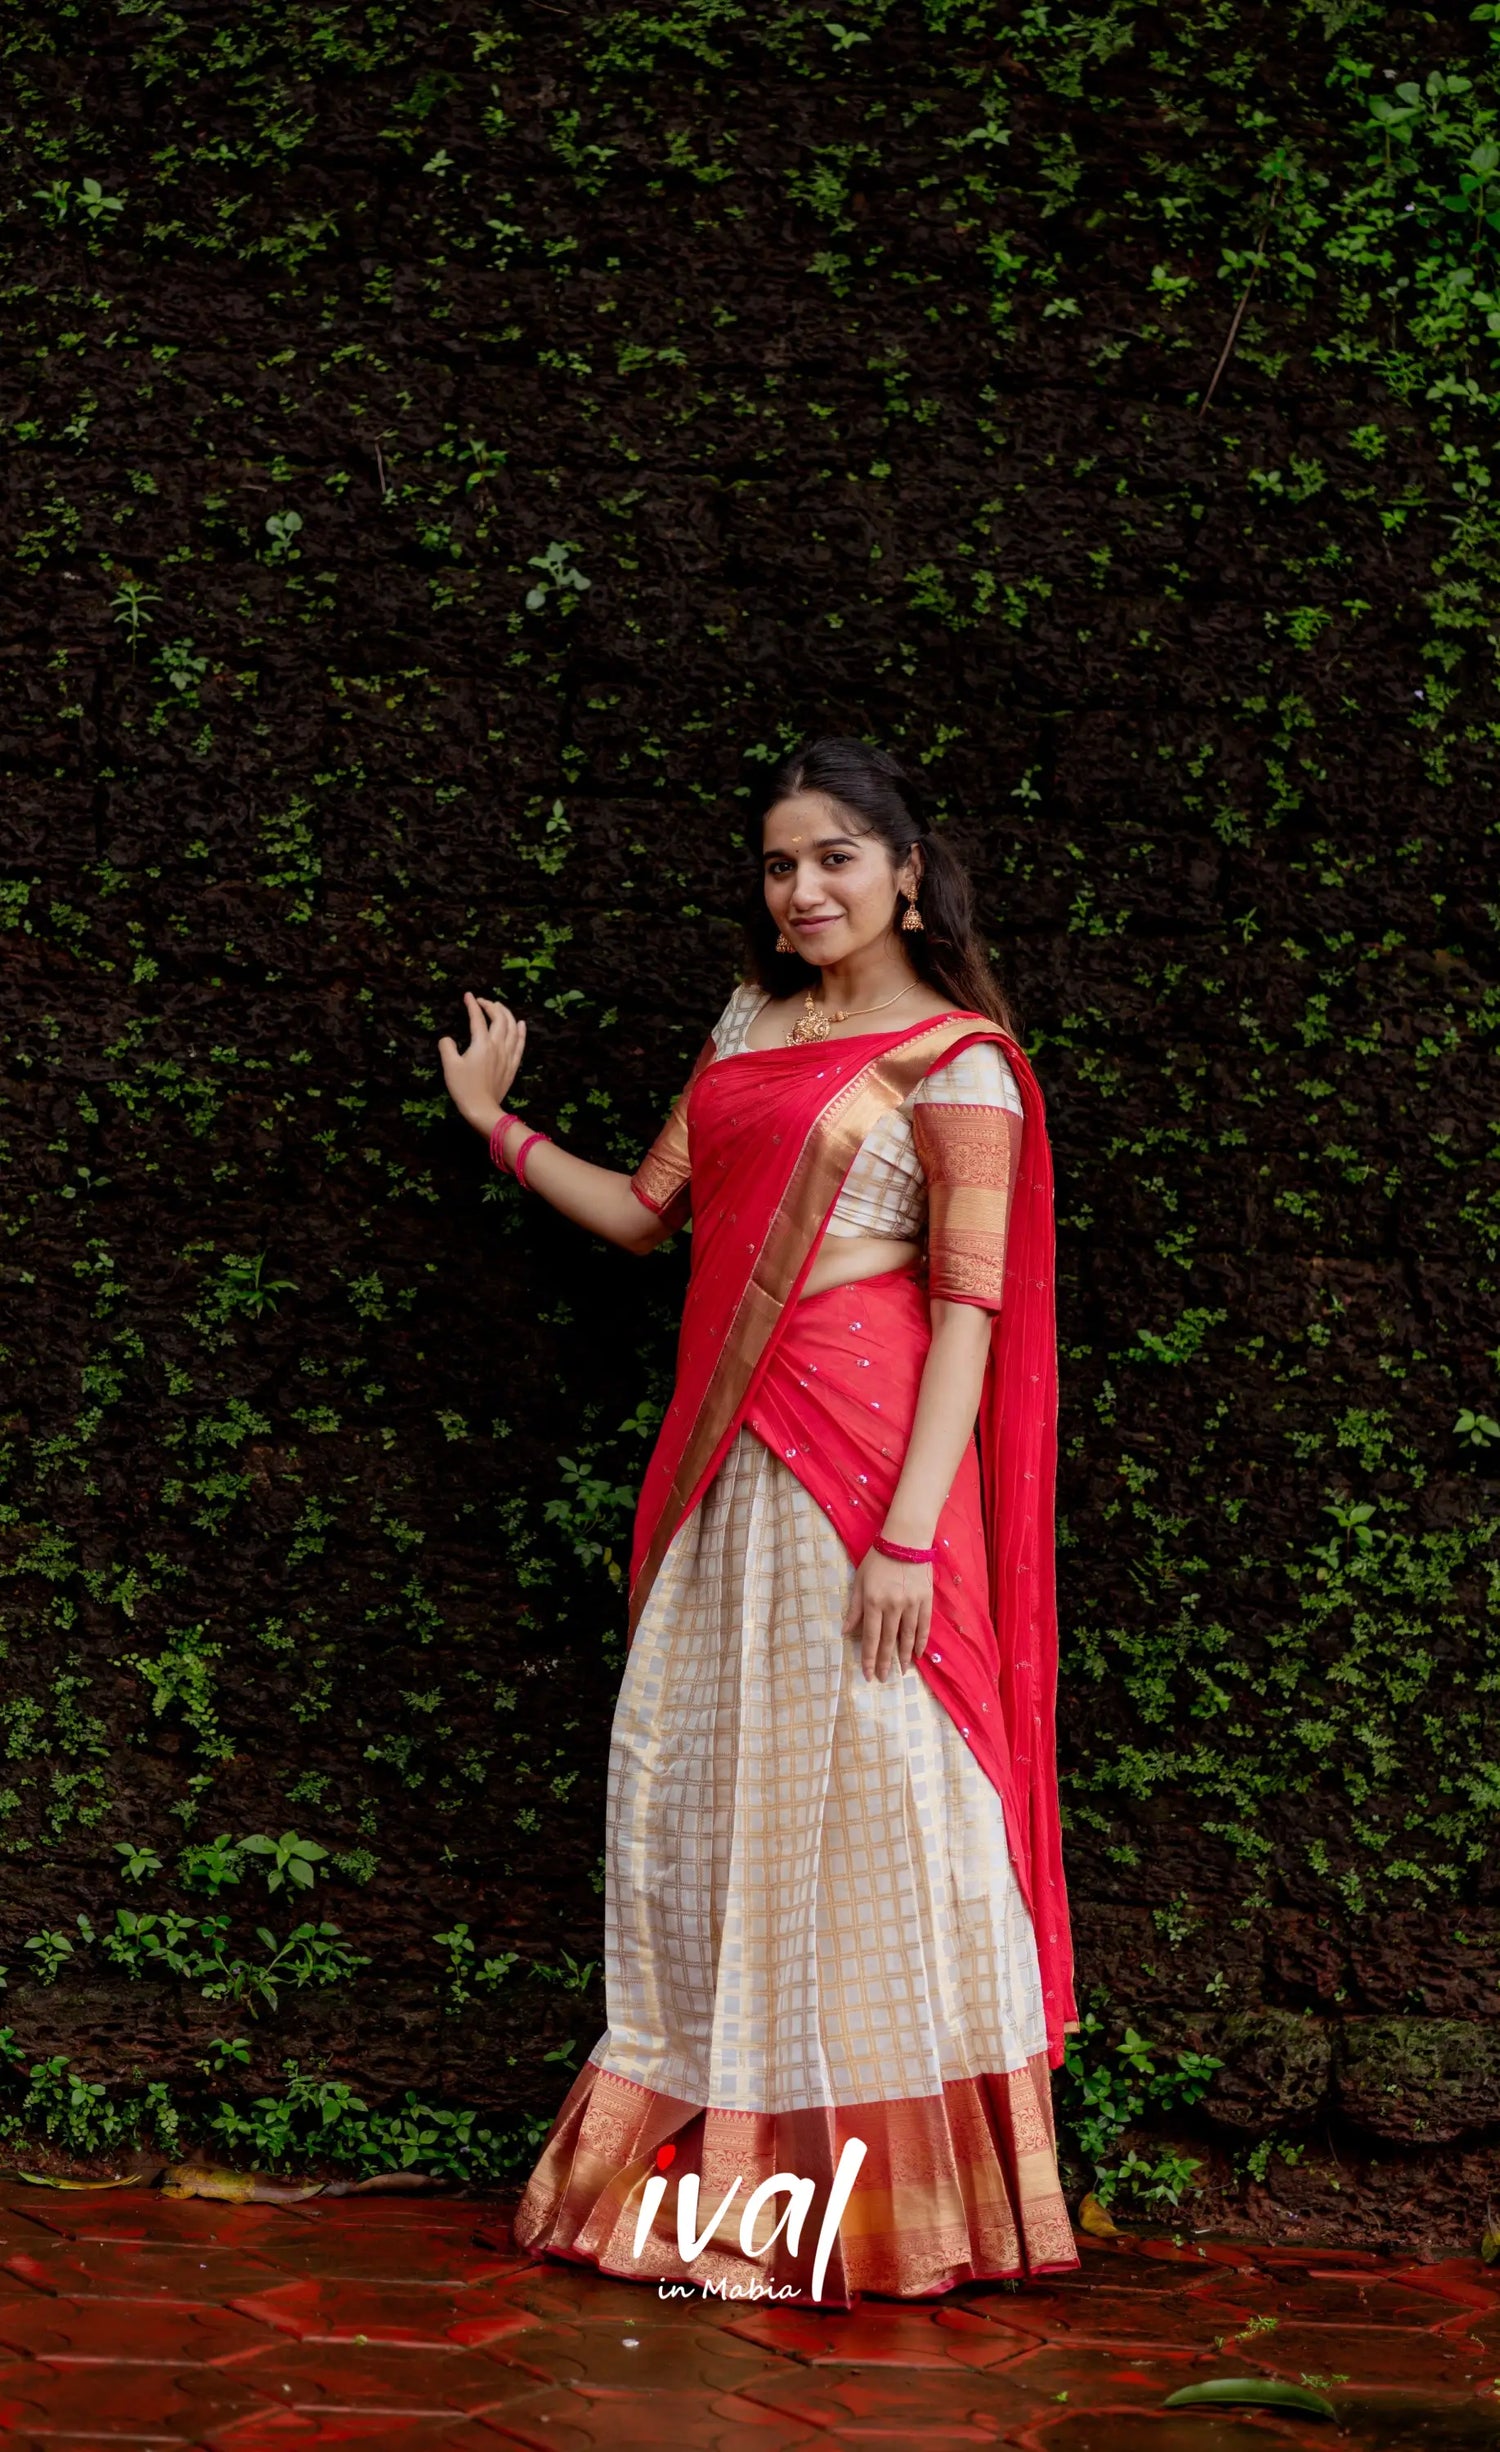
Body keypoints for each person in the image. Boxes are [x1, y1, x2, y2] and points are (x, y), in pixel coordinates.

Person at [438, 735, 1077, 2302]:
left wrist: (911, 1537)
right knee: (709, 1794)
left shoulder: (961, 1064)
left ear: (907, 874)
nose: (804, 889)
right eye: (782, 863)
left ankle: (887, 2212)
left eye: (836, 858)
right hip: (728, 1465)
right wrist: (495, 1122)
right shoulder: (747, 1023)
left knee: (882, 1798)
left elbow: (971, 1313)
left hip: (869, 1471)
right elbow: (646, 1216)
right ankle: (725, 2191)